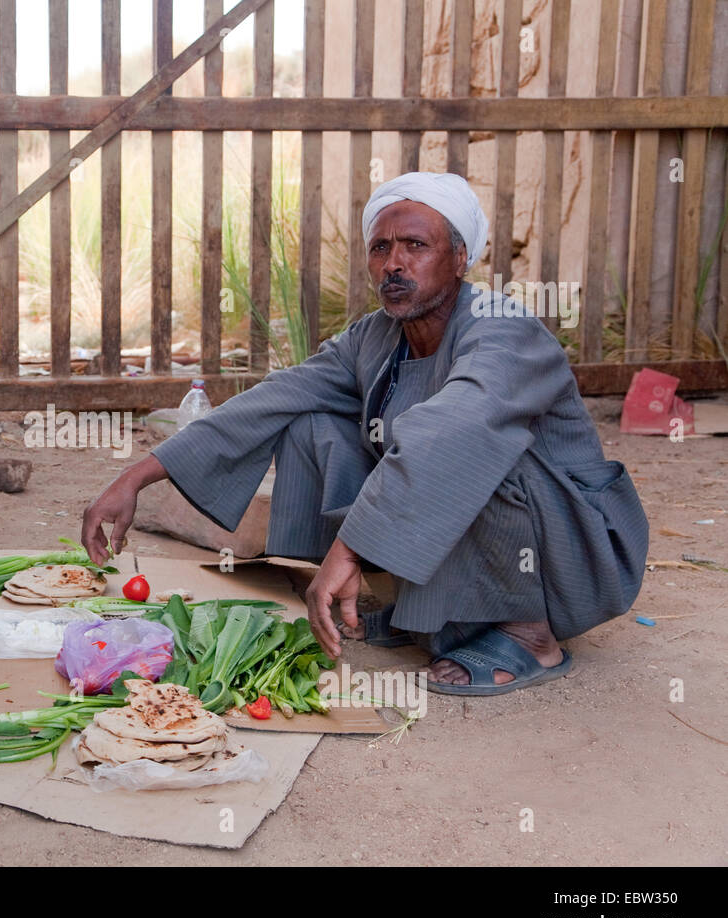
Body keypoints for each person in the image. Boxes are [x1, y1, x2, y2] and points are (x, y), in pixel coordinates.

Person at [82, 172, 649, 696]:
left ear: (460, 258)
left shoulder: (507, 330)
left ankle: (531, 635)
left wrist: (348, 547)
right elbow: (280, 395)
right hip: (506, 524)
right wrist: (137, 476)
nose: (394, 264)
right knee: (313, 422)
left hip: (571, 549)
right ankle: (433, 611)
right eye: (381, 247)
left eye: (415, 246)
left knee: (470, 449)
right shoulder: (375, 337)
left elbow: (452, 431)